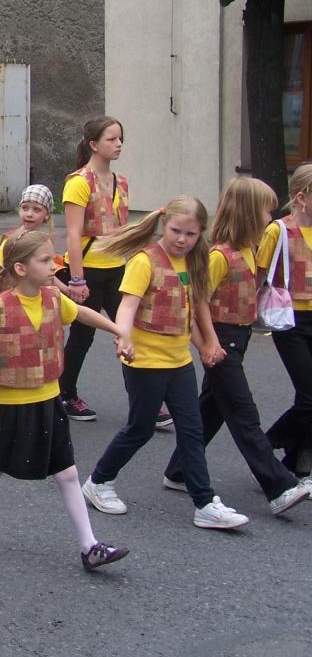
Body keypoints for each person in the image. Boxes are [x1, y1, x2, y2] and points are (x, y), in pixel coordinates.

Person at [0, 229, 131, 569]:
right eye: (46, 260)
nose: (54, 265)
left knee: (67, 472)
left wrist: (118, 329)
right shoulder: (1, 306)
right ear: (21, 269)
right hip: (10, 405)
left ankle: (89, 546)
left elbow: (82, 314)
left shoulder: (53, 299)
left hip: (49, 398)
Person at [82, 195, 251, 530]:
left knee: (192, 430)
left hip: (179, 362)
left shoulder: (193, 262)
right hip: (145, 362)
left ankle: (204, 503)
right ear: (164, 224)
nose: (182, 240)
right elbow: (127, 305)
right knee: (140, 428)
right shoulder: (144, 261)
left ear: (200, 233)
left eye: (190, 234)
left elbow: (190, 311)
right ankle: (98, 481)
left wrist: (207, 345)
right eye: (176, 231)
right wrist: (123, 337)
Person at [160, 178, 310, 515]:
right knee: (244, 414)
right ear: (248, 213)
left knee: (212, 408)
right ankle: (279, 486)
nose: (270, 217)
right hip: (222, 339)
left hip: (237, 338)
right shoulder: (220, 256)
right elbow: (195, 302)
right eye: (265, 211)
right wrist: (207, 343)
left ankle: (179, 470)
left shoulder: (248, 249)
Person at [60, 117, 132, 421]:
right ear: (93, 144)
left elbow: (121, 229)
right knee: (82, 335)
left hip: (117, 268)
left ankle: (146, 399)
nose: (118, 144)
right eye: (111, 139)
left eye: (120, 139)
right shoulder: (79, 182)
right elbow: (73, 234)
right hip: (88, 269)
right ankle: (66, 394)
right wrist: (77, 280)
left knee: (129, 332)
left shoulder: (121, 182)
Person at [257, 164, 312, 484]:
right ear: (302, 198)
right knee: (308, 396)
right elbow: (258, 274)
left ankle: (299, 463)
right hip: (290, 320)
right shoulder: (278, 231)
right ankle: (266, 446)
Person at [0, 185, 79, 300]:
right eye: (25, 208)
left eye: (36, 209)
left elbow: (48, 272)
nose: (29, 214)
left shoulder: (44, 240)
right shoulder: (12, 240)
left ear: (47, 215)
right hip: (13, 300)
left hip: (34, 299)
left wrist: (66, 290)